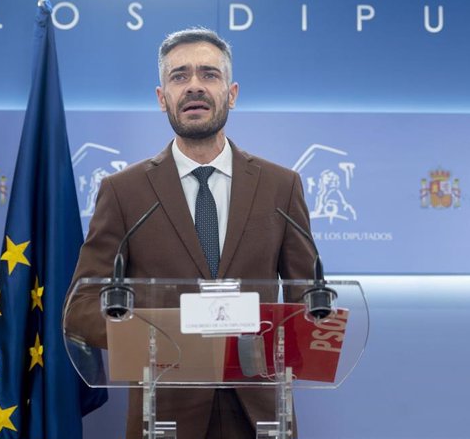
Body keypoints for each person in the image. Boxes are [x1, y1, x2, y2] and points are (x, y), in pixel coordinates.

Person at [66, 27, 315, 439]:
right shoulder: (123, 192)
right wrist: (161, 336)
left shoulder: (281, 186)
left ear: (231, 93)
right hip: (164, 415)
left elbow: (308, 297)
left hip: (259, 415)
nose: (194, 86)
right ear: (162, 97)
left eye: (209, 74)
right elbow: (81, 306)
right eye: (180, 76)